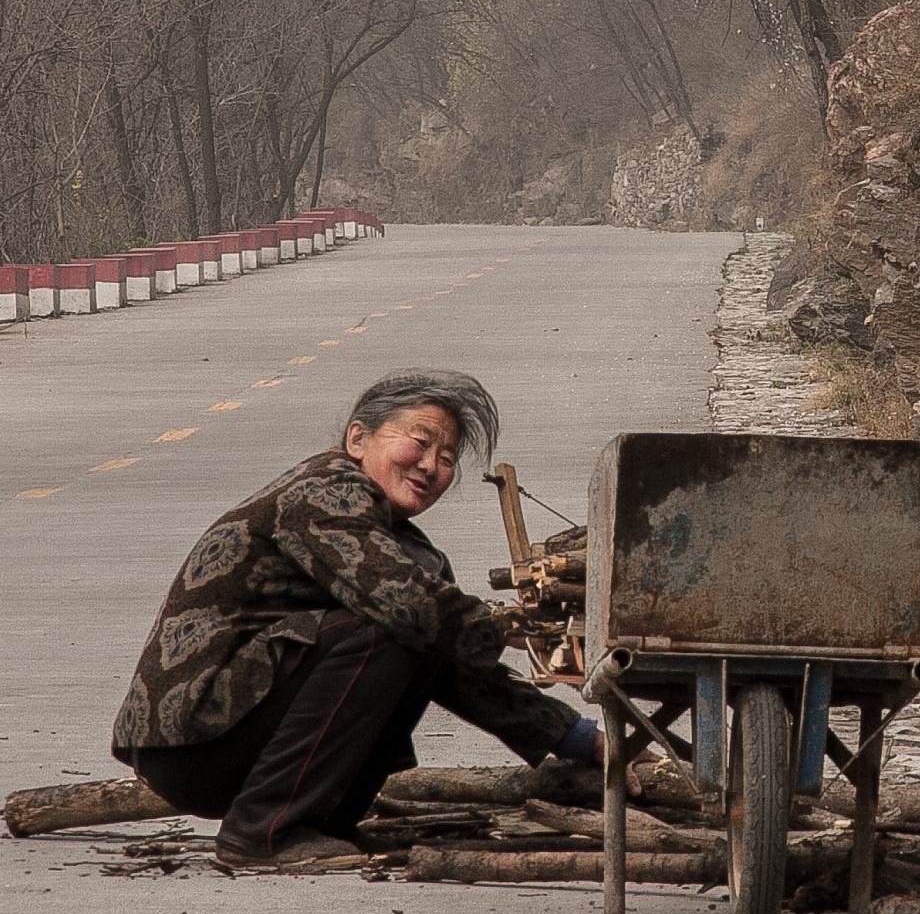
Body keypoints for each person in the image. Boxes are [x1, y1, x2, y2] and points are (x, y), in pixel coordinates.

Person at [111, 370, 598, 871]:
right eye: (420, 442)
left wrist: (579, 740)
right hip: (192, 743)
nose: (430, 466)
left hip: (231, 741)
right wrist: (507, 624)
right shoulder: (325, 491)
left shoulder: (407, 547)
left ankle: (321, 825)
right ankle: (266, 833)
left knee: (420, 633)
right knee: (391, 629)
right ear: (358, 439)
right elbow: (407, 606)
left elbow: (461, 667)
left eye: (447, 458)